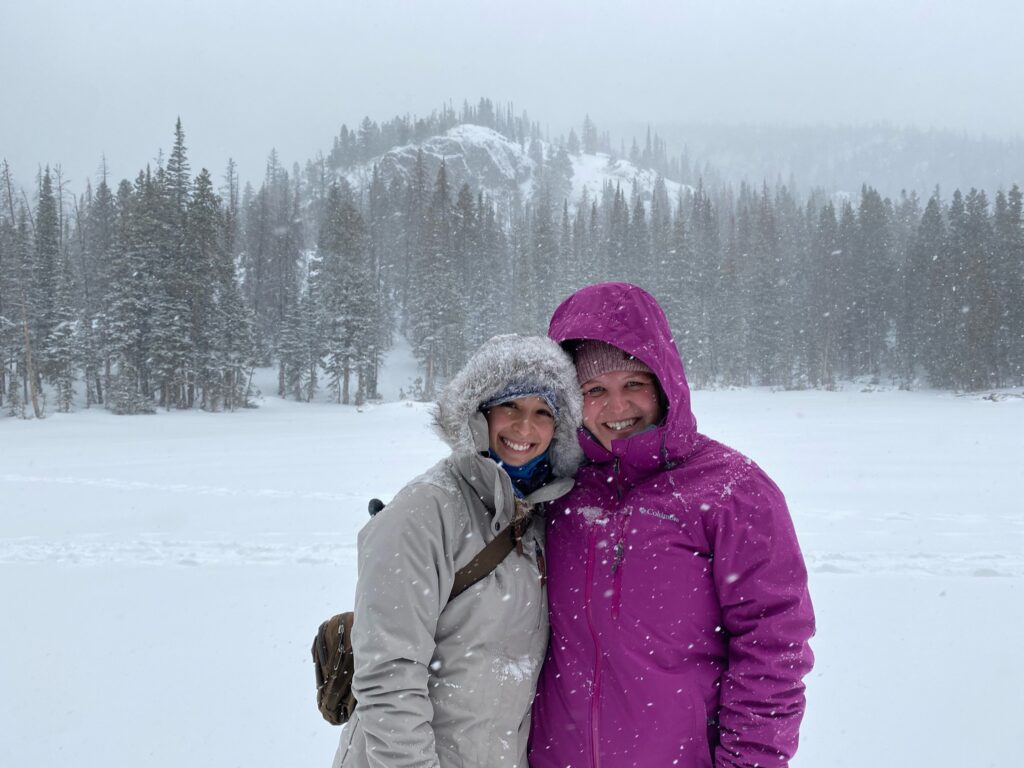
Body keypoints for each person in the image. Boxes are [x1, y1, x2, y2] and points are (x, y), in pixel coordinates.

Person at [530, 282, 815, 768]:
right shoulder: (555, 490)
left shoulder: (732, 491)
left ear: (664, 383)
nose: (617, 408)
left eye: (633, 385)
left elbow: (772, 648)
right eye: (594, 390)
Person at [333, 334, 583, 768]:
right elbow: (388, 678)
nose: (525, 428)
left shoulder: (540, 519)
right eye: (510, 407)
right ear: (478, 413)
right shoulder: (423, 512)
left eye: (542, 412)